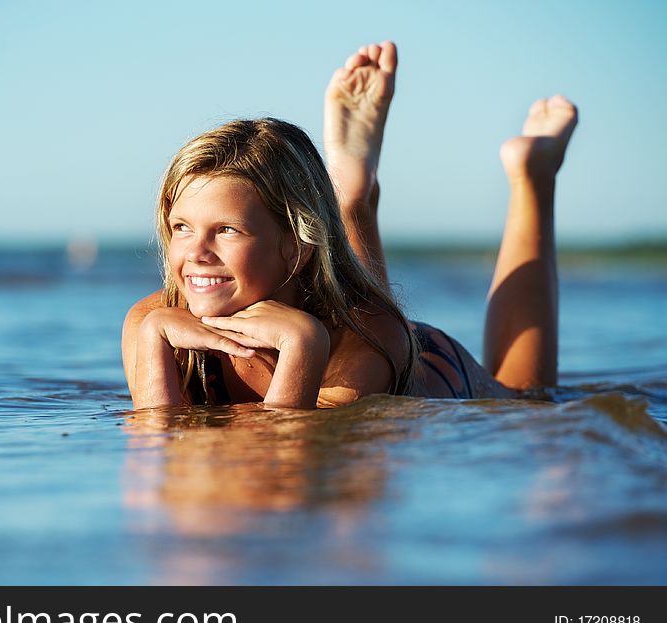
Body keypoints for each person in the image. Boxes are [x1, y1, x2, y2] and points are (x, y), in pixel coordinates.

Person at [122, 41, 578, 410]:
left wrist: (302, 344)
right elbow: (157, 453)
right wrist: (153, 336)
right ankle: (353, 186)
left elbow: (281, 456)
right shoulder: (153, 321)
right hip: (331, 298)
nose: (195, 252)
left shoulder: (368, 340)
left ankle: (533, 177)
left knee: (529, 398)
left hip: (425, 366)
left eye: (226, 230)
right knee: (350, 290)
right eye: (181, 227)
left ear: (296, 247)